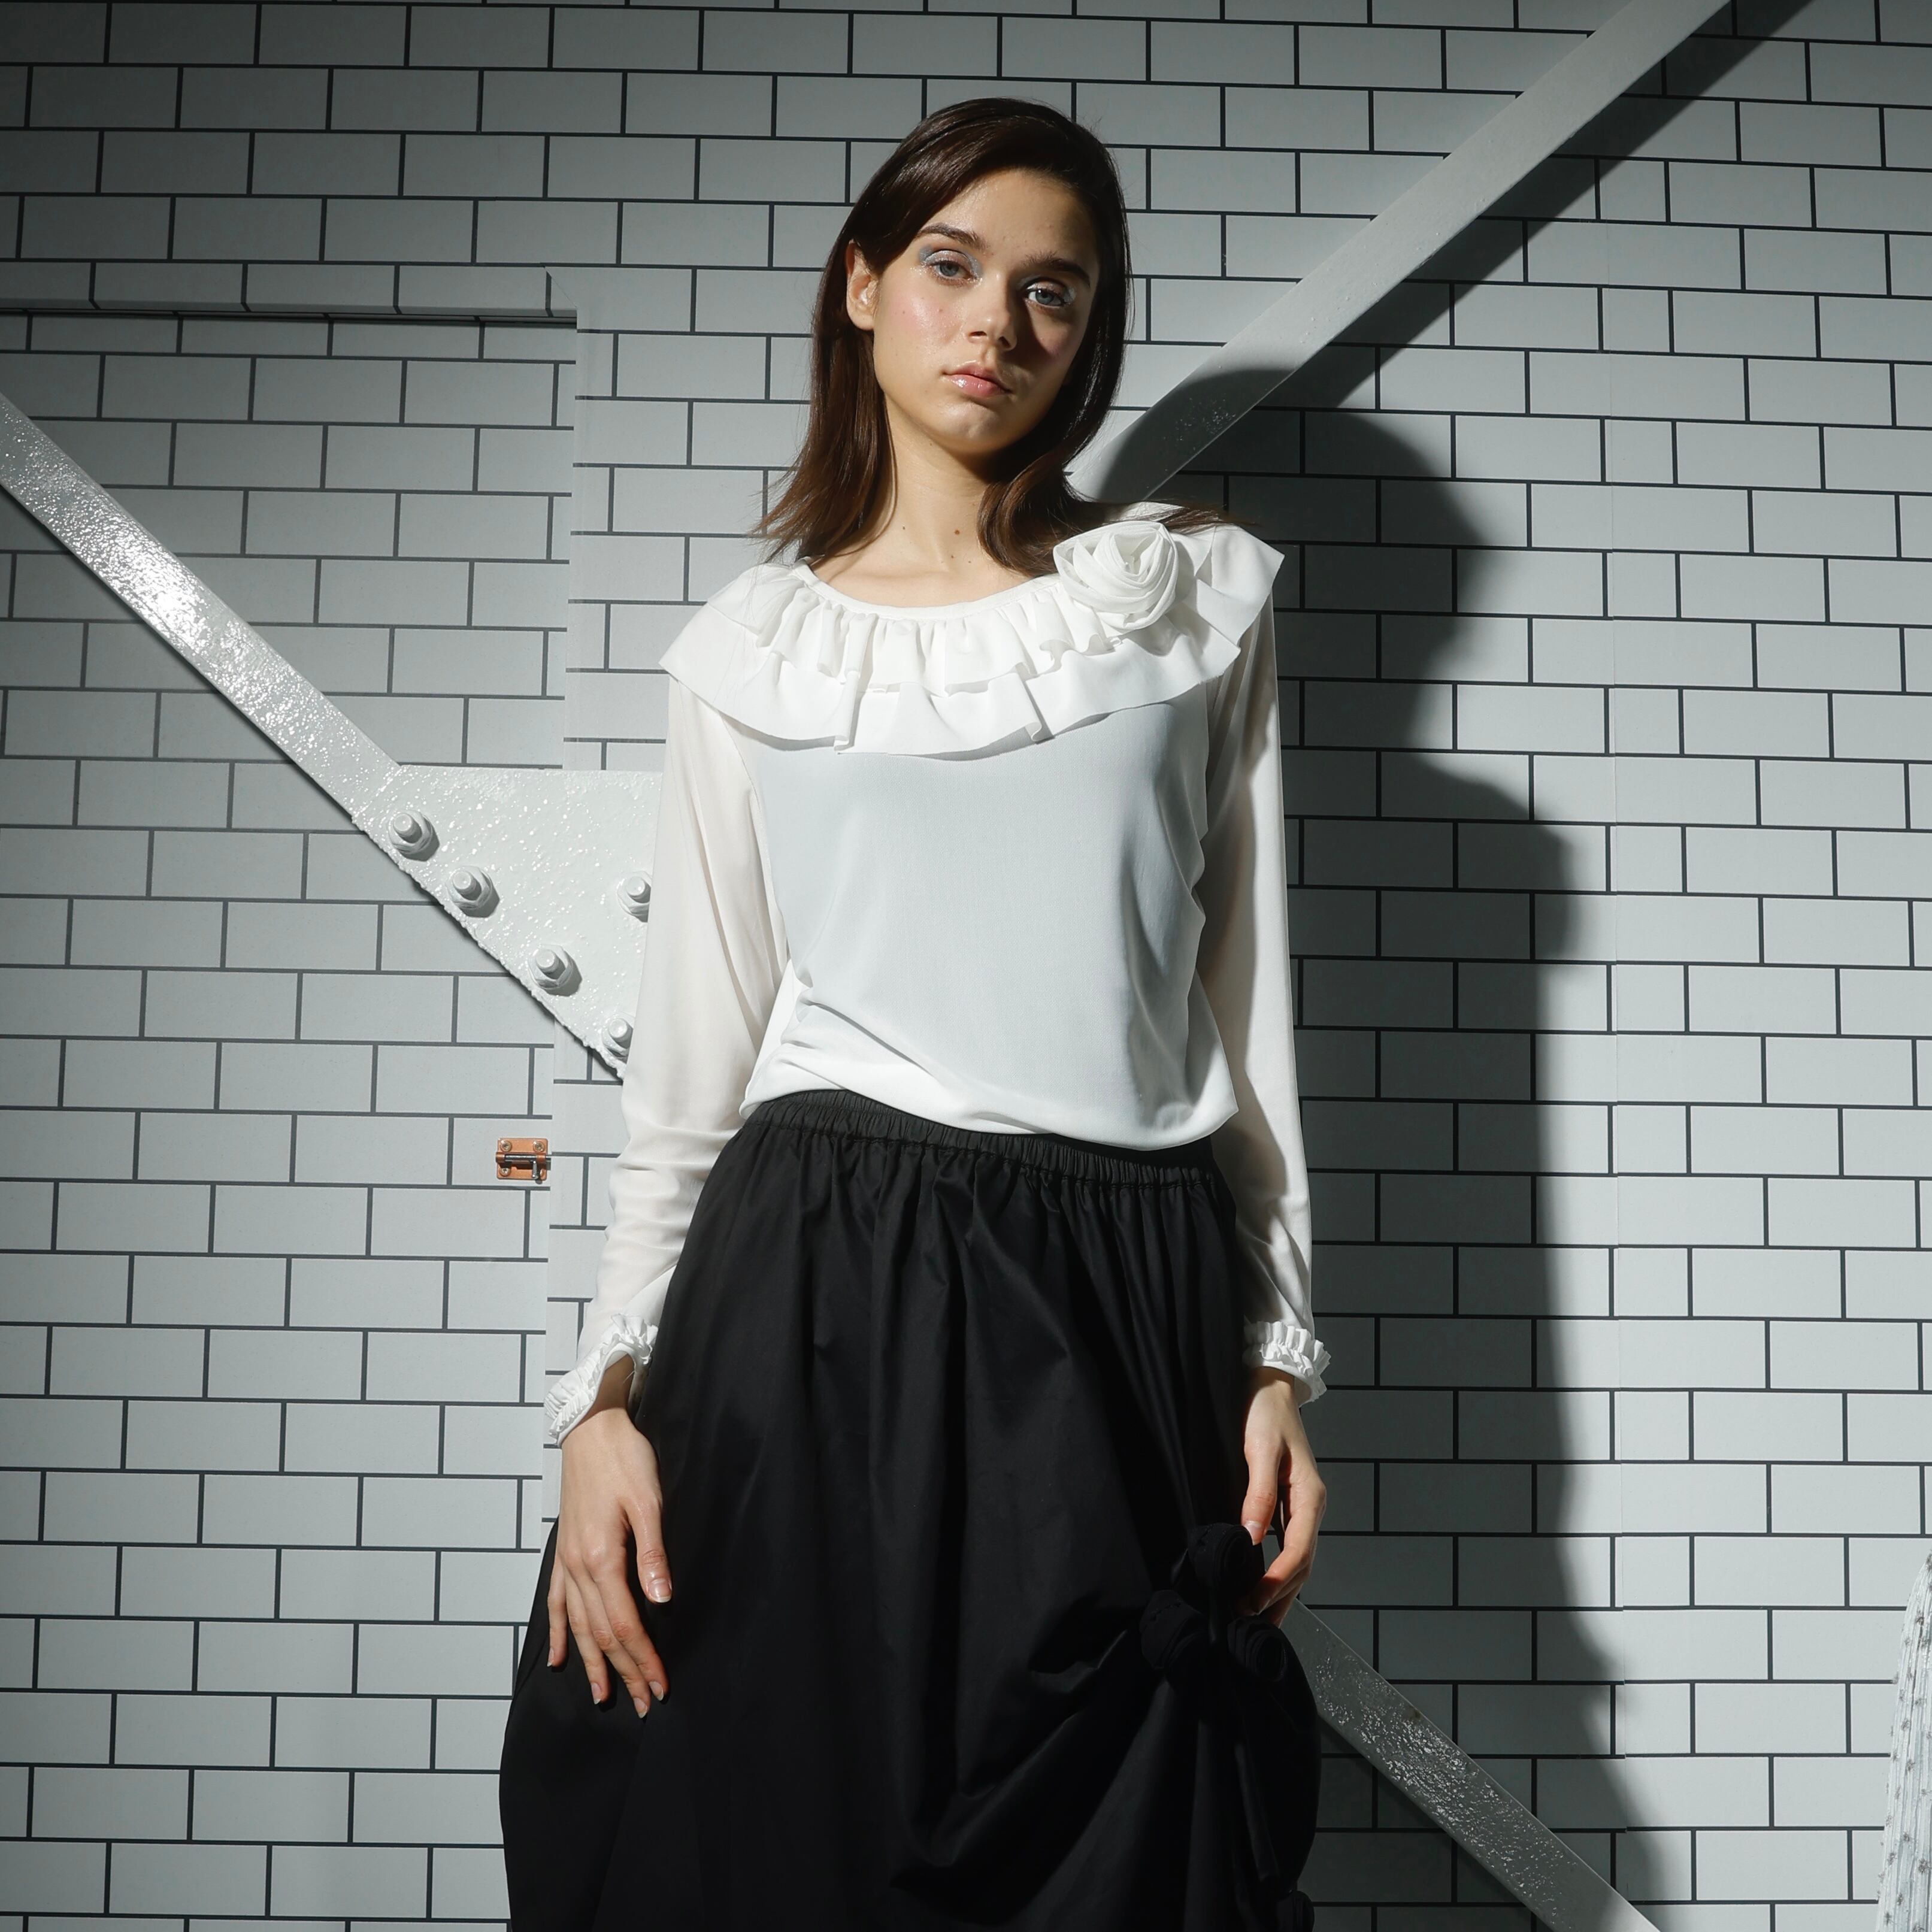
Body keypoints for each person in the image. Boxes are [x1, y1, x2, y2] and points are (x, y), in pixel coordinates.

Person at [499, 95, 1331, 1932]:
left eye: (1053, 291)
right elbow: (695, 1063)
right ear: (862, 286)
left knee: (1127, 1849)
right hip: (815, 1283)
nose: (996, 326)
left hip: (1117, 1283)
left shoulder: (1187, 598)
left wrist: (1274, 1353)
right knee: (770, 1827)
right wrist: (601, 1399)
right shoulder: (749, 649)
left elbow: (1242, 1004)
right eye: (952, 267)